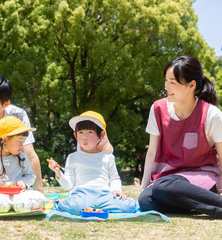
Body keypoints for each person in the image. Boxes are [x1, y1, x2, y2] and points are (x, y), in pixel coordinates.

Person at [138, 55, 222, 218]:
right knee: (145, 201)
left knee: (163, 186)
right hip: (170, 179)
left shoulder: (212, 115)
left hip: (202, 177)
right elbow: (152, 151)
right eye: (166, 80)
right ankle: (201, 205)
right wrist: (143, 186)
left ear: (191, 85)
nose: (166, 86)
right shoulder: (157, 109)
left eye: (173, 82)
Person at [48, 111, 139, 215]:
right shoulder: (73, 157)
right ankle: (61, 203)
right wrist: (58, 173)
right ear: (75, 135)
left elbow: (114, 178)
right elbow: (69, 185)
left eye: (90, 132)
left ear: (101, 134)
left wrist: (117, 190)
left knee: (128, 207)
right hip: (82, 194)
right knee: (75, 206)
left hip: (105, 194)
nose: (84, 137)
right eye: (81, 133)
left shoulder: (108, 157)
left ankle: (130, 203)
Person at [0, 116, 45, 213]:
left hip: (20, 195)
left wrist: (24, 183)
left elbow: (31, 175)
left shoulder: (22, 157)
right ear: (4, 140)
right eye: (19, 141)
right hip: (0, 196)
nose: (22, 145)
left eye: (23, 142)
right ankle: (5, 206)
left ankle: (19, 205)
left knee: (38, 198)